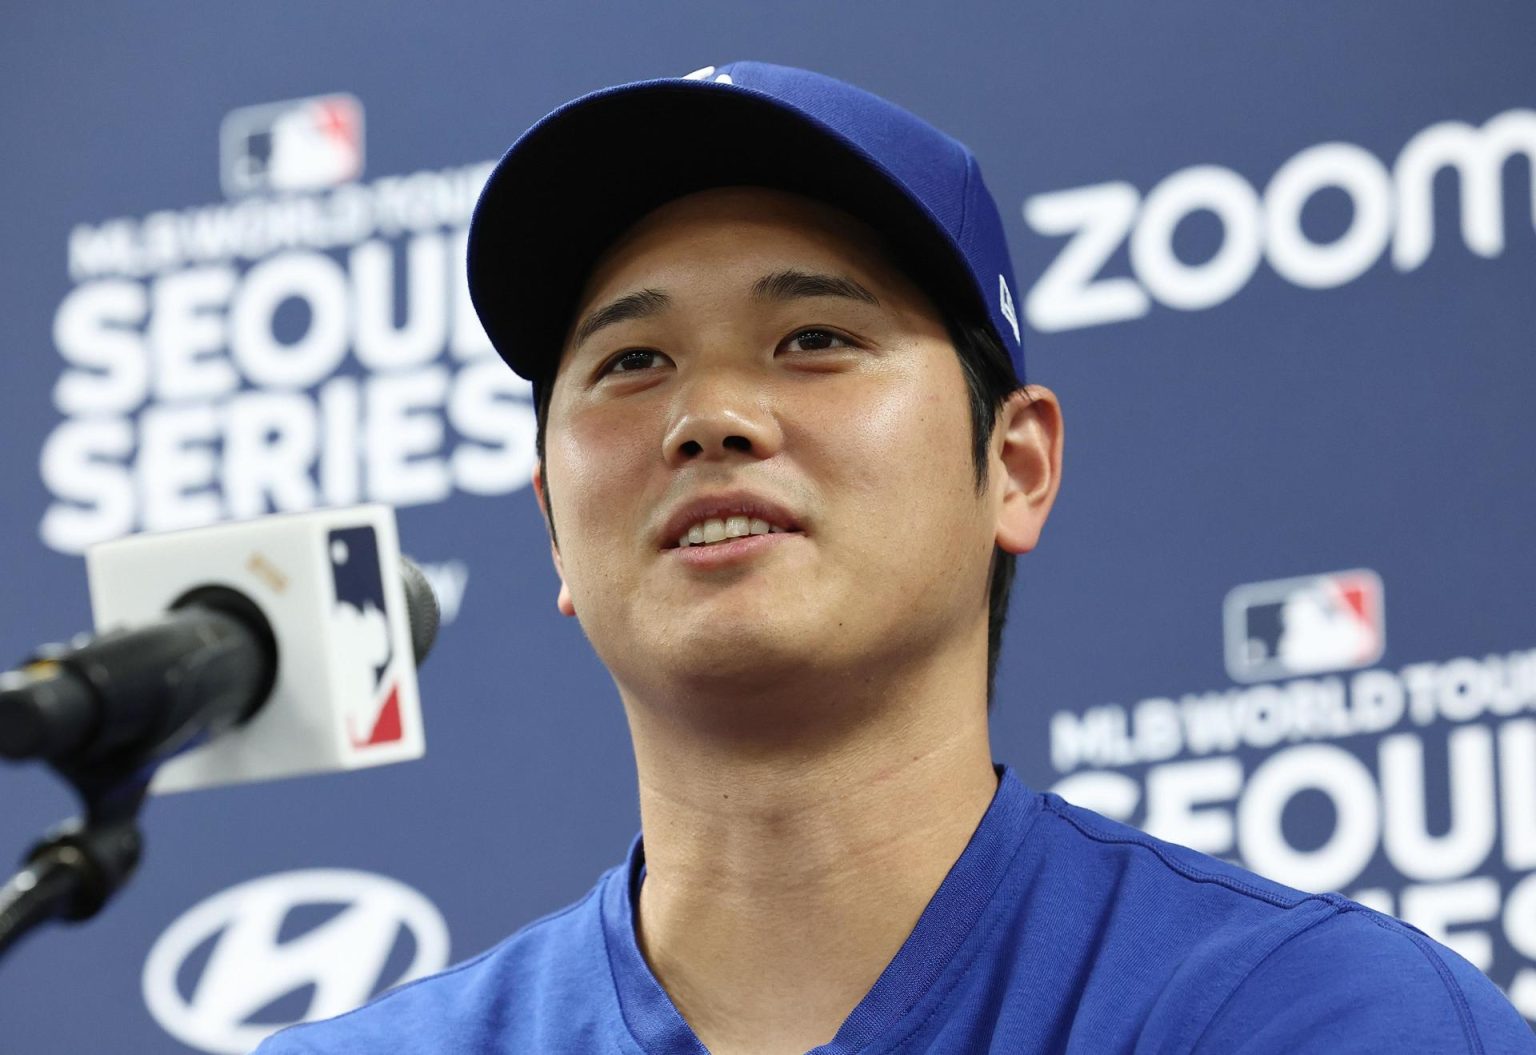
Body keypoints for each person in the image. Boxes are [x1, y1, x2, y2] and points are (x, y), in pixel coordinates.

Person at [257, 62, 1534, 1054]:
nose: (710, 417)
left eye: (813, 338)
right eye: (632, 363)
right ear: (552, 521)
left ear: (1017, 465)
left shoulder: (1299, 1013)